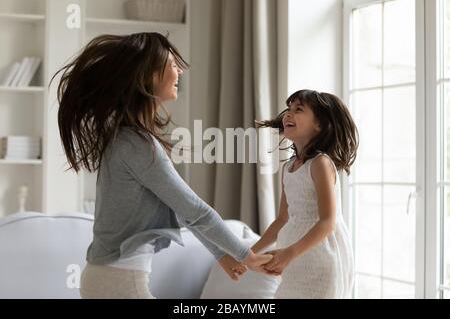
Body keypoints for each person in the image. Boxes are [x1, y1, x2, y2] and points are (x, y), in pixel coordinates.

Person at [52, 32, 271, 299]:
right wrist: (244, 255)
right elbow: (196, 210)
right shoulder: (138, 145)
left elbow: (183, 211)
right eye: (172, 64)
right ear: (149, 75)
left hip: (109, 278)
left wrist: (221, 255)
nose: (180, 71)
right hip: (120, 282)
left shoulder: (128, 139)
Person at [253, 89, 358, 298]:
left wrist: (289, 253)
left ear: (319, 125)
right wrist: (250, 253)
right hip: (294, 263)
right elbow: (282, 219)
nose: (288, 115)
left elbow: (328, 221)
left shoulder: (320, 163)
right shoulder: (289, 167)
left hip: (320, 261)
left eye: (298, 109)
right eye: (289, 109)